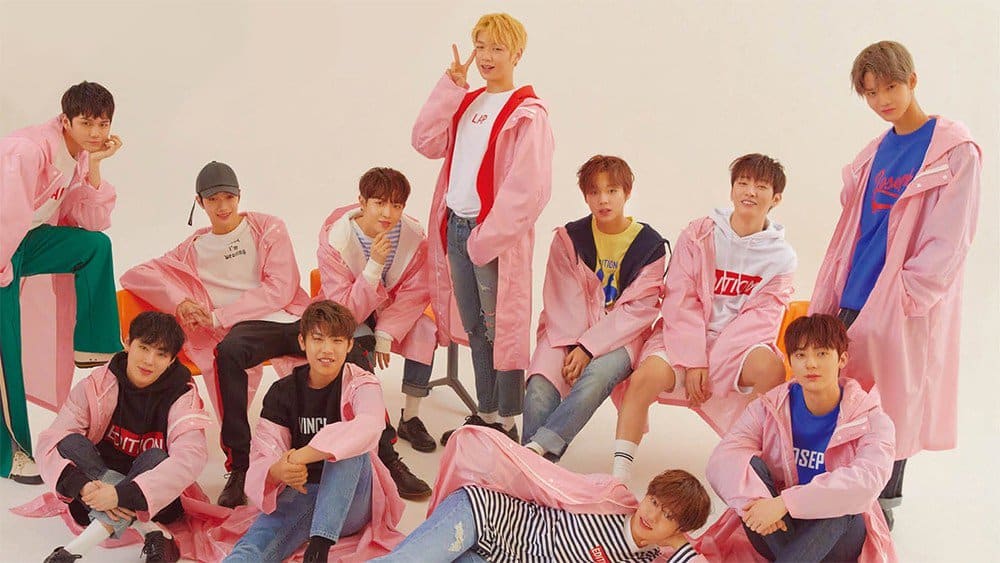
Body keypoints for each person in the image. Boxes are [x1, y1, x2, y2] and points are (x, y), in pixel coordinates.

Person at [809, 40, 982, 528]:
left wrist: (908, 294)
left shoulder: (954, 151)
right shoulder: (875, 151)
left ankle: (881, 516)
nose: (882, 100)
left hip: (898, 302)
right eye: (870, 93)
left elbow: (951, 239)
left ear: (912, 81)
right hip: (851, 294)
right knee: (838, 399)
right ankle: (833, 501)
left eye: (890, 87)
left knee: (891, 410)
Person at [119, 160, 311, 507]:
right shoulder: (192, 248)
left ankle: (375, 451)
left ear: (239, 196)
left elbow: (281, 288)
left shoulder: (268, 227)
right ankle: (240, 466)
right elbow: (135, 274)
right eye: (213, 200)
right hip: (242, 333)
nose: (222, 206)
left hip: (289, 319)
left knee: (348, 348)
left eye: (228, 197)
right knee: (227, 355)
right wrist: (180, 302)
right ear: (200, 202)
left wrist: (218, 316)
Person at [411, 12, 554, 444]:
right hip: (455, 228)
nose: (487, 56)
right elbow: (424, 142)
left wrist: (483, 241)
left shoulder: (528, 114)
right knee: (475, 327)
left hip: (490, 238)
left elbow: (529, 191)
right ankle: (486, 412)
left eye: (497, 48)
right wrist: (450, 87)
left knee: (501, 329)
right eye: (481, 46)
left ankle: (506, 423)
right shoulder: (467, 103)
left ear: (517, 54)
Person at [613, 154, 796, 481]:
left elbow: (761, 319)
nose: (750, 192)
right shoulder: (699, 234)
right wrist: (694, 359)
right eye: (743, 183)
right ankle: (619, 476)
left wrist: (713, 363)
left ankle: (745, 462)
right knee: (644, 378)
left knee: (771, 369)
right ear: (732, 190)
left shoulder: (781, 258)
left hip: (737, 346)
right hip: (683, 337)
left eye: (761, 186)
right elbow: (680, 298)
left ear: (776, 198)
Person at [0, 81, 124, 483]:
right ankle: (10, 453)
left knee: (94, 247)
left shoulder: (81, 156)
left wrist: (97, 165)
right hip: (2, 242)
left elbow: (90, 222)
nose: (96, 132)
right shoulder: (28, 151)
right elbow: (5, 215)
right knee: (5, 349)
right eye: (86, 123)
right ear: (66, 120)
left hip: (25, 241)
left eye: (103, 124)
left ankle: (93, 347)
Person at [696, 314, 896, 562]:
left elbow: (867, 481)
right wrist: (758, 503)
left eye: (821, 354)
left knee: (845, 503)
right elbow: (723, 459)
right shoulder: (769, 407)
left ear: (842, 359)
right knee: (749, 466)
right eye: (800, 355)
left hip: (837, 538)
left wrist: (785, 503)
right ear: (790, 360)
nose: (810, 364)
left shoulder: (871, 418)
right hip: (777, 527)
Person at [225, 300, 404, 563]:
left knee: (350, 449)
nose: (327, 350)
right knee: (252, 546)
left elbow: (369, 425)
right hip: (303, 492)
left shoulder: (361, 383)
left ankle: (321, 543)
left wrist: (302, 456)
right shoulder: (283, 392)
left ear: (349, 345)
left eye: (336, 341)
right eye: (318, 339)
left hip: (352, 501)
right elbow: (264, 451)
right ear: (302, 342)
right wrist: (278, 470)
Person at [522, 155, 665, 461]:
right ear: (585, 196)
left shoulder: (650, 246)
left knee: (597, 376)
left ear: (627, 192)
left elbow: (639, 310)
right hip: (565, 330)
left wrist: (589, 347)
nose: (603, 200)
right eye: (594, 192)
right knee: (539, 385)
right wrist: (577, 344)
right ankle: (536, 467)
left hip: (622, 337)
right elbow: (561, 298)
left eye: (612, 191)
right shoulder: (569, 239)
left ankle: (534, 453)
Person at [36, 312, 211, 563]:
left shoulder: (183, 395)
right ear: (128, 343)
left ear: (172, 360)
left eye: (161, 354)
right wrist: (84, 486)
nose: (149, 361)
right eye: (144, 348)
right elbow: (50, 441)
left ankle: (71, 552)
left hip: (153, 494)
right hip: (95, 490)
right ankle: (154, 532)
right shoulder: (96, 385)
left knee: (156, 457)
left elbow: (191, 457)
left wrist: (121, 495)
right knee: (68, 442)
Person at [315, 166, 439, 497]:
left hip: (392, 309)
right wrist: (374, 265)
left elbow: (416, 291)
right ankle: (380, 444)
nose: (387, 213)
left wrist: (388, 331)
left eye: (396, 205)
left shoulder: (413, 237)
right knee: (357, 345)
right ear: (362, 202)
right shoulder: (336, 236)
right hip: (349, 308)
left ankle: (410, 418)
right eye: (379, 203)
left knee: (425, 329)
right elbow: (343, 308)